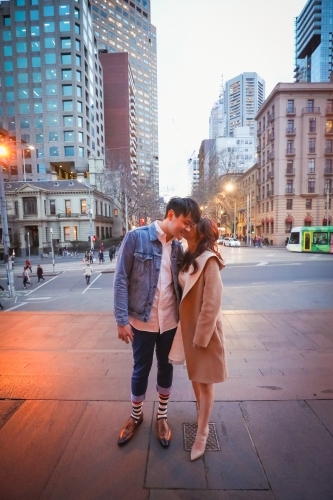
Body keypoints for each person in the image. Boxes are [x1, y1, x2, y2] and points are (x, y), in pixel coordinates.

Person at [114, 197, 201, 448]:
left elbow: (185, 282)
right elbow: (120, 279)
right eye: (185, 222)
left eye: (191, 225)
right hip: (142, 321)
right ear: (171, 214)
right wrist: (122, 320)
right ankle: (135, 415)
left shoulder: (178, 248)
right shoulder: (136, 238)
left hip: (170, 322)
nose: (187, 229)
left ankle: (162, 417)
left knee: (166, 367)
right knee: (141, 368)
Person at [169, 217, 227, 461]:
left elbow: (212, 302)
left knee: (205, 381)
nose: (187, 228)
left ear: (200, 234)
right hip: (187, 328)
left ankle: (202, 433)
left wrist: (202, 336)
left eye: (192, 227)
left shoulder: (209, 261)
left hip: (204, 332)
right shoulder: (187, 256)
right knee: (195, 375)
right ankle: (200, 410)